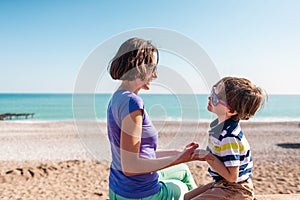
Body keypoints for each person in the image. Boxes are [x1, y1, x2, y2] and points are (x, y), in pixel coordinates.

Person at [107, 37, 213, 200]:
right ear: (139, 66)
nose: (155, 75)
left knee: (183, 170)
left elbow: (143, 154)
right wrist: (178, 159)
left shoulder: (117, 97)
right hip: (137, 194)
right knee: (182, 187)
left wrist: (179, 154)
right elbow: (131, 166)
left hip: (118, 188)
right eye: (153, 68)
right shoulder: (133, 103)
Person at [185, 77, 266, 200]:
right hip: (222, 183)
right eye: (212, 92)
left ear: (232, 111)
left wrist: (208, 156)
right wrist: (203, 154)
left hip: (236, 189)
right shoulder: (218, 127)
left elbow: (232, 177)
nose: (210, 98)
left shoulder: (229, 137)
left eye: (216, 98)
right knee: (187, 197)